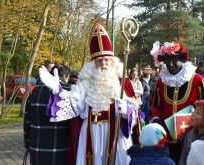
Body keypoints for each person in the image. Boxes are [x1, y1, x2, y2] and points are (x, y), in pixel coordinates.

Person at [39, 22, 138, 165]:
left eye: (106, 60)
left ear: (112, 61)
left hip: (117, 134)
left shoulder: (123, 82)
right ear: (93, 63)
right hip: (91, 134)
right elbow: (74, 104)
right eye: (99, 60)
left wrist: (127, 110)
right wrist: (58, 90)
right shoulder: (85, 83)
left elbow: (135, 114)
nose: (103, 64)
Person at [149, 41, 204, 162]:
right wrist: (156, 119)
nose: (170, 64)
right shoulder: (161, 82)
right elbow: (156, 106)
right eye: (167, 60)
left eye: (174, 59)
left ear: (181, 59)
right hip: (165, 138)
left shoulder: (197, 81)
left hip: (192, 138)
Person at [24, 64, 72, 165]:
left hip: (37, 148)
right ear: (65, 76)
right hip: (61, 148)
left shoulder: (34, 92)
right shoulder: (69, 92)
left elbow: (27, 122)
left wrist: (27, 145)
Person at [178, 99, 204, 165]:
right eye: (194, 111)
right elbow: (183, 158)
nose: (193, 115)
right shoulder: (190, 134)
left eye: (198, 113)